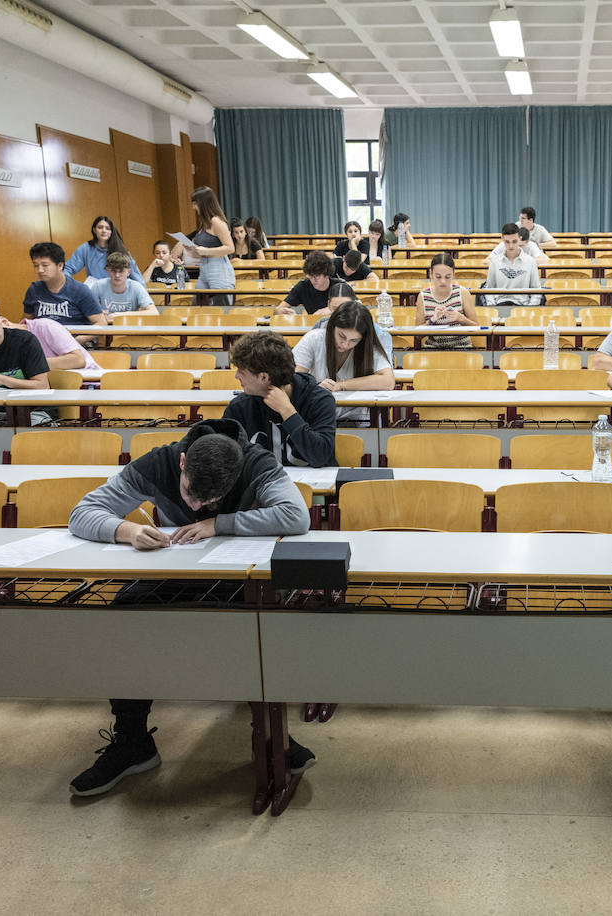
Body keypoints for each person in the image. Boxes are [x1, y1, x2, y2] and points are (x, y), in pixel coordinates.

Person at [66, 421, 312, 797]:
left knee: (254, 625)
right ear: (182, 463)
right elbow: (83, 512)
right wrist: (126, 531)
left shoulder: (256, 463)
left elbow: (296, 516)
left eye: (209, 501)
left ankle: (269, 734)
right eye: (190, 495)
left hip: (235, 573)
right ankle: (133, 741)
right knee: (122, 617)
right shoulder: (158, 462)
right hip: (172, 565)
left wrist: (219, 523)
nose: (196, 506)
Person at [224, 331, 337, 467]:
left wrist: (287, 412)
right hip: (261, 486)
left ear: (263, 377)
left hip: (313, 487)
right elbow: (225, 459)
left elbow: (320, 457)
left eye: (241, 372)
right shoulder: (239, 407)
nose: (236, 376)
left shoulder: (320, 400)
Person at [294, 301, 394, 424]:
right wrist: (314, 388)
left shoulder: (367, 347)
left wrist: (341, 385)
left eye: (354, 340)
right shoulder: (314, 339)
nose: (346, 344)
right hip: (317, 417)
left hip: (358, 419)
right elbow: (294, 379)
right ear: (332, 326)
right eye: (341, 336)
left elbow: (388, 381)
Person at [23, 241, 107, 329]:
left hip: (75, 339)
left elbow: (101, 322)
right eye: (36, 265)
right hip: (43, 340)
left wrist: (80, 339)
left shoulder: (80, 290)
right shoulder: (34, 290)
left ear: (60, 266)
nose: (40, 270)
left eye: (45, 265)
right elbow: (26, 322)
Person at [183, 186, 235, 307]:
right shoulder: (204, 224)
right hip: (204, 270)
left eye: (195, 204)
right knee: (198, 306)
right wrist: (194, 251)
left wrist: (205, 251)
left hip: (219, 271)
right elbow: (204, 251)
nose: (193, 207)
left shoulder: (216, 222)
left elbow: (230, 248)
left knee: (221, 309)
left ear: (203, 204)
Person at [1, 313, 101, 372]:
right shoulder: (8, 345)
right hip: (52, 390)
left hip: (88, 384)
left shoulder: (45, 326)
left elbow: (78, 360)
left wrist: (32, 364)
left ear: (4, 322)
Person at [418, 254, 478, 350]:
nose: (443, 281)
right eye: (438, 277)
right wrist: (431, 321)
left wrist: (460, 318)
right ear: (431, 274)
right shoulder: (423, 296)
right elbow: (417, 335)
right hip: (433, 350)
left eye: (447, 277)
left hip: (462, 349)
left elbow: (476, 327)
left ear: (453, 274)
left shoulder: (462, 293)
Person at [64, 215, 143, 283]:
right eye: (100, 227)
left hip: (118, 290)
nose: (104, 231)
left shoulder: (121, 250)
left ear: (111, 232)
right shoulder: (85, 248)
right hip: (96, 290)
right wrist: (70, 286)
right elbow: (68, 269)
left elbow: (137, 278)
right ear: (94, 230)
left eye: (107, 228)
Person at [483, 223, 542, 308]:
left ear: (519, 238)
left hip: (523, 308)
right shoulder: (494, 262)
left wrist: (530, 309)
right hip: (499, 305)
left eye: (514, 241)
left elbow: (536, 290)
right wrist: (492, 308)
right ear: (502, 239)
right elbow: (489, 289)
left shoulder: (530, 262)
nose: (511, 246)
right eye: (507, 242)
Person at [86, 252, 157, 319]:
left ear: (128, 272)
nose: (117, 275)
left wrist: (122, 315)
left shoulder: (136, 287)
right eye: (113, 271)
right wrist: (99, 314)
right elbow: (86, 310)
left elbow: (154, 312)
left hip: (129, 328)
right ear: (108, 270)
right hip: (104, 328)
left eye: (121, 271)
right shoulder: (98, 286)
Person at [276, 251, 336, 316]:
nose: (313, 281)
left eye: (316, 277)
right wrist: (281, 311)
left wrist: (331, 309)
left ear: (326, 274)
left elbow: (347, 308)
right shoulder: (303, 286)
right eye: (310, 277)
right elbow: (278, 309)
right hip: (312, 324)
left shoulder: (339, 286)